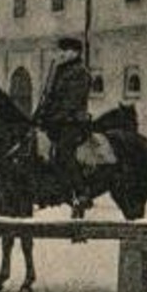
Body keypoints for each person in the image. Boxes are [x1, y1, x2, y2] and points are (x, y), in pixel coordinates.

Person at [32, 36, 93, 206]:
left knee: (65, 152)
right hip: (57, 121)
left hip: (73, 122)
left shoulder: (81, 72)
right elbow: (49, 96)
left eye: (66, 51)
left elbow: (71, 102)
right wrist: (39, 115)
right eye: (61, 51)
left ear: (76, 53)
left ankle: (82, 191)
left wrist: (52, 118)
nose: (62, 54)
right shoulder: (59, 70)